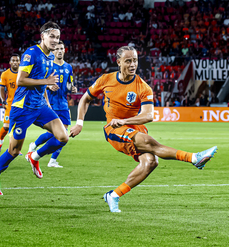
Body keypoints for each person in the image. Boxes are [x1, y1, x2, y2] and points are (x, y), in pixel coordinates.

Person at [69, 46, 217, 213]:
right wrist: (79, 123)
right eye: (128, 61)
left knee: (150, 162)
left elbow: (148, 115)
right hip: (113, 130)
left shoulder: (143, 87)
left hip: (133, 127)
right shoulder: (105, 80)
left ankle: (114, 195)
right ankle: (194, 158)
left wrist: (125, 120)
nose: (133, 65)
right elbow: (85, 99)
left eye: (135, 61)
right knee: (148, 142)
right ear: (118, 62)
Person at [0, 21, 69, 196]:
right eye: (51, 36)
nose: (55, 40)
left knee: (63, 137)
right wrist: (46, 82)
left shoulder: (49, 57)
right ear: (42, 36)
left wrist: (47, 87)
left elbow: (41, 82)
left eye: (57, 37)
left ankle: (35, 156)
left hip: (39, 106)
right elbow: (21, 81)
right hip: (22, 108)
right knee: (14, 151)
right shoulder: (31, 53)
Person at [28, 42, 77, 167]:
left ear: (64, 50)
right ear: (53, 51)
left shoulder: (68, 67)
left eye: (62, 48)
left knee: (63, 133)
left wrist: (72, 88)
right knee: (54, 133)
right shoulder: (49, 66)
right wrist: (48, 87)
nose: (60, 51)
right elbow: (42, 84)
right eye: (57, 49)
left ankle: (52, 160)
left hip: (64, 104)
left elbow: (69, 84)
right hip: (51, 104)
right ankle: (35, 146)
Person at [0, 54, 20, 153]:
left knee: (18, 127)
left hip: (22, 105)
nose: (14, 62)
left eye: (16, 60)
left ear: (19, 62)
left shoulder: (23, 74)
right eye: (13, 60)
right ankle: (0, 141)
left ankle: (15, 147)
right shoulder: (5, 74)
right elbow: (1, 88)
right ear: (10, 63)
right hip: (10, 104)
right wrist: (2, 100)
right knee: (6, 127)